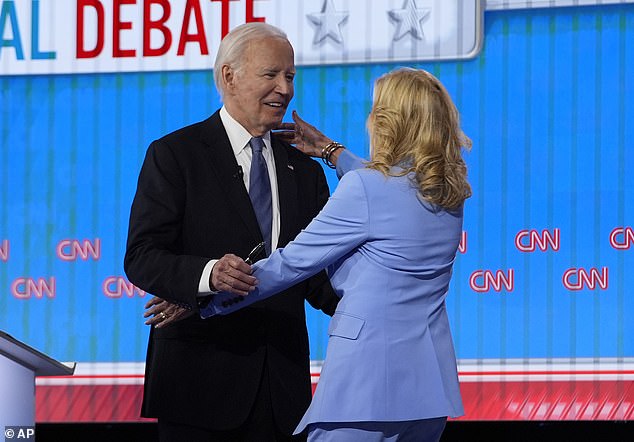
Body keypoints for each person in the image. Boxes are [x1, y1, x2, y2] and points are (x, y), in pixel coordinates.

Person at [201, 68, 472, 441]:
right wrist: (332, 151)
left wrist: (208, 297)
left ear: (387, 122)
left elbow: (291, 262)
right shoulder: (446, 194)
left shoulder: (366, 189)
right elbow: (392, 189)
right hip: (427, 393)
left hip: (367, 388)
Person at [124, 22, 339, 441]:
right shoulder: (175, 155)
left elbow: (317, 278)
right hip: (198, 391)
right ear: (229, 76)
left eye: (290, 76)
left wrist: (383, 302)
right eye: (271, 75)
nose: (285, 89)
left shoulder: (305, 172)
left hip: (282, 393)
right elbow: (142, 255)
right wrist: (207, 277)